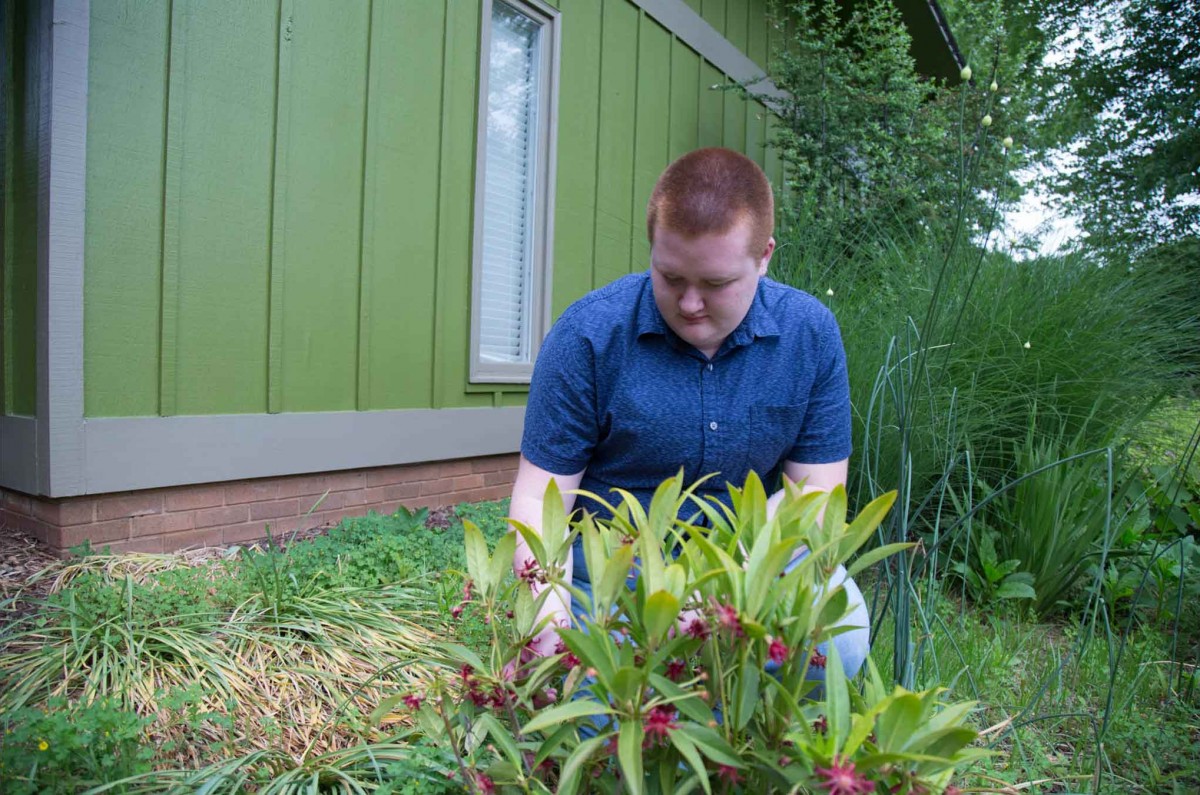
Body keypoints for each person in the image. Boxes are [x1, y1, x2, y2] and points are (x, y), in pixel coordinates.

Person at [509, 147, 869, 678]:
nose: (690, 303)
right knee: (580, 698)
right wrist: (545, 609)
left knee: (836, 648)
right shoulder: (588, 334)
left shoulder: (810, 334)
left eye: (717, 284)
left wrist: (728, 591)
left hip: (751, 560)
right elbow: (541, 496)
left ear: (765, 256)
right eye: (670, 277)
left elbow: (816, 495)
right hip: (609, 575)